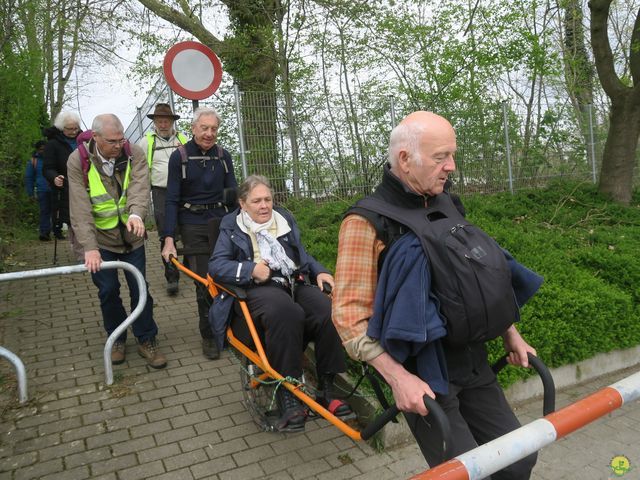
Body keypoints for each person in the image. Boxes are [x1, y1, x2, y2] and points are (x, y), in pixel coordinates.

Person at [332, 111, 538, 478]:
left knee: (518, 459)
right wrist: (398, 378)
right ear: (405, 160)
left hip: (472, 360)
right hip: (422, 375)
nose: (451, 166)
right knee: (463, 474)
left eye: (452, 155)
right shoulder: (364, 223)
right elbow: (348, 317)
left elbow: (478, 278)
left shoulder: (447, 203)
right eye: (440, 157)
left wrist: (511, 333)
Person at [209, 175, 352, 432]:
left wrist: (319, 270)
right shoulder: (231, 226)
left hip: (293, 281)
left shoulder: (283, 219)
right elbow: (217, 266)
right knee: (287, 313)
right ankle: (288, 395)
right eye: (256, 201)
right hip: (259, 288)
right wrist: (251, 269)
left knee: (326, 310)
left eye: (268, 199)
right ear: (242, 203)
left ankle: (327, 389)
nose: (264, 206)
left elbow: (301, 255)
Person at [68, 113, 167, 369]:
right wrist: (89, 248)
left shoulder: (133, 152)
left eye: (121, 138)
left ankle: (147, 338)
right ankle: (118, 338)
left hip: (131, 237)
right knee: (108, 290)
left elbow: (139, 187)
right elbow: (79, 207)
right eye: (112, 141)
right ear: (96, 137)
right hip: (100, 240)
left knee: (139, 288)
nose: (118, 145)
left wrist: (136, 214)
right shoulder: (77, 161)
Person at [161, 107, 238, 360]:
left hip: (220, 222)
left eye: (213, 129)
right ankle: (209, 336)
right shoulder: (179, 157)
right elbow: (171, 200)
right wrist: (169, 238)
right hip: (191, 223)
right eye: (204, 128)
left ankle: (230, 328)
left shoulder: (223, 157)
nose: (209, 134)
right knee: (205, 282)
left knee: (229, 278)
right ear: (193, 129)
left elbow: (234, 196)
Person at [137, 103, 188, 296]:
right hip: (161, 192)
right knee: (167, 235)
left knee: (188, 230)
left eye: (166, 120)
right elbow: (140, 169)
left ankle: (190, 266)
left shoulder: (183, 139)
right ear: (155, 122)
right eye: (160, 121)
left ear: (172, 122)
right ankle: (172, 276)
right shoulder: (146, 142)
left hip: (184, 191)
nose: (163, 124)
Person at [43, 111, 82, 244]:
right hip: (65, 187)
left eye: (76, 128)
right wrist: (54, 177)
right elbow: (48, 168)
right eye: (69, 129)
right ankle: (81, 254)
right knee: (74, 221)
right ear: (61, 128)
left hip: (87, 184)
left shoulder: (84, 140)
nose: (73, 131)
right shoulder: (52, 144)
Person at [25, 140, 54, 241]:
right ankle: (44, 232)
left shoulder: (53, 159)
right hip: (42, 190)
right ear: (37, 150)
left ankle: (56, 230)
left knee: (56, 211)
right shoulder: (33, 161)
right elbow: (29, 178)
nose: (43, 151)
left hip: (55, 188)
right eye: (41, 149)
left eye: (45, 149)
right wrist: (30, 193)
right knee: (44, 211)